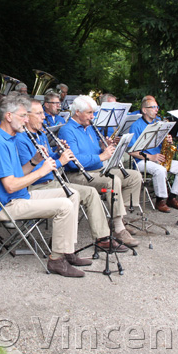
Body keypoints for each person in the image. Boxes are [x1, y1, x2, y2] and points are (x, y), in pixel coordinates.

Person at [0, 96, 87, 277]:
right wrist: (41, 171)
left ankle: (66, 251)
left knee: (72, 194)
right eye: (23, 115)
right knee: (64, 205)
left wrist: (34, 161)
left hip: (20, 197)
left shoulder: (9, 138)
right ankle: (56, 261)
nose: (26, 120)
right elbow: (9, 186)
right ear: (8, 116)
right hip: (7, 204)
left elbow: (17, 174)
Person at [17, 99, 126, 252]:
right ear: (26, 117)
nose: (43, 117)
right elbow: (31, 171)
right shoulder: (21, 139)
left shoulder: (40, 135)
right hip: (37, 185)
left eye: (43, 112)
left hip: (51, 181)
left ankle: (101, 238)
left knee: (91, 193)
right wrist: (61, 161)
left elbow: (48, 159)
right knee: (83, 194)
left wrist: (59, 153)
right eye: (39, 113)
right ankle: (64, 244)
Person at [58, 95, 141, 247]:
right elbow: (74, 162)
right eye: (89, 113)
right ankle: (118, 227)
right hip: (78, 175)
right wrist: (102, 156)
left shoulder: (89, 128)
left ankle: (119, 218)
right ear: (77, 112)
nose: (93, 116)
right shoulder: (67, 130)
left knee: (134, 177)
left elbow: (94, 151)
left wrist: (103, 147)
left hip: (97, 171)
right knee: (112, 181)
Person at [128, 97, 178, 213]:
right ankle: (160, 200)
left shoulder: (159, 123)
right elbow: (131, 151)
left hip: (158, 159)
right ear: (144, 110)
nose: (156, 110)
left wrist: (169, 141)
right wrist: (150, 157)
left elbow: (164, 144)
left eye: (157, 107)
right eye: (153, 107)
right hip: (141, 161)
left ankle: (172, 198)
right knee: (160, 170)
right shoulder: (136, 126)